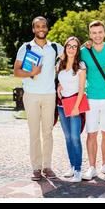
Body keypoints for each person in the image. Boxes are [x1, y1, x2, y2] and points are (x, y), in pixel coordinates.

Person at [14, 16, 63, 181]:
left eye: (43, 26)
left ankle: (47, 166)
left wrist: (86, 46)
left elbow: (73, 54)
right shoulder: (25, 47)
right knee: (34, 133)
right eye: (37, 26)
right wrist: (32, 73)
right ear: (33, 29)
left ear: (47, 28)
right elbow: (16, 72)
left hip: (49, 95)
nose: (41, 29)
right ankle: (36, 168)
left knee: (48, 132)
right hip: (31, 95)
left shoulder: (55, 47)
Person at [80, 20, 105, 180]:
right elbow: (66, 60)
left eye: (100, 32)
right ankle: (91, 167)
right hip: (91, 99)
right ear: (90, 34)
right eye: (94, 33)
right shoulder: (84, 51)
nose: (97, 35)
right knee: (91, 134)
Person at [56, 36, 86, 183]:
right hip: (61, 106)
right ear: (65, 47)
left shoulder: (81, 65)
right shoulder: (60, 64)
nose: (71, 48)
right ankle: (72, 166)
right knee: (67, 138)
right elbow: (59, 80)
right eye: (69, 45)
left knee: (75, 138)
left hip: (75, 105)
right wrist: (58, 87)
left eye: (75, 46)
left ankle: (79, 169)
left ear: (78, 49)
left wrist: (76, 108)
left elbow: (81, 89)